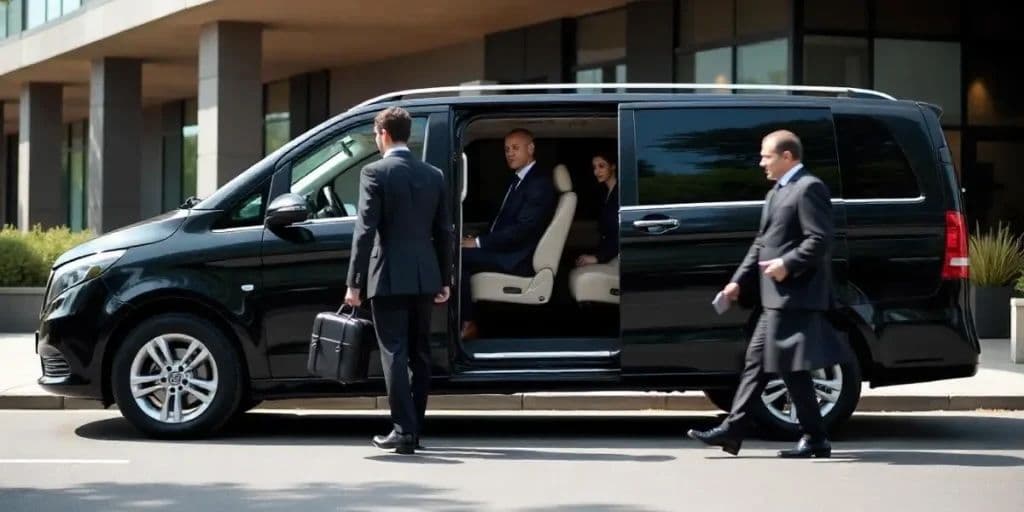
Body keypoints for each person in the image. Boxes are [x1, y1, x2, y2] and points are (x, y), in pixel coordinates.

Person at [686, 129, 848, 458]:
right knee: (760, 363)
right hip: (774, 297)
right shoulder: (777, 192)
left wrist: (788, 264)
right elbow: (761, 244)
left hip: (795, 296)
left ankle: (811, 436)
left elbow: (820, 239)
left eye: (766, 156)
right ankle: (738, 431)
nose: (761, 163)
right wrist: (737, 283)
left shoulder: (808, 188)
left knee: (786, 367)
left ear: (788, 156)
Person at [344, 106, 453, 455]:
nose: (377, 140)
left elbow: (365, 232)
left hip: (387, 273)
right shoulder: (433, 174)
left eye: (376, 135)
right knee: (420, 353)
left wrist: (354, 282)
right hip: (425, 275)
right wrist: (444, 277)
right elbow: (444, 231)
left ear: (384, 134)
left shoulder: (374, 172)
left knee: (394, 352)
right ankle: (414, 428)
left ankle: (403, 431)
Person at [459, 128, 556, 340]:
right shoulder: (519, 180)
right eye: (506, 149)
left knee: (457, 258)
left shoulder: (538, 183)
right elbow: (503, 222)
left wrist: (477, 242)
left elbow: (521, 231)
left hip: (516, 257)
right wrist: (475, 236)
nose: (509, 153)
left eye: (515, 148)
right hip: (507, 249)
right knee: (459, 251)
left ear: (530, 148)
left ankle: (468, 322)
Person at [575, 149, 619, 268]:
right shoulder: (604, 194)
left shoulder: (621, 193)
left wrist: (598, 257)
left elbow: (619, 233)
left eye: (601, 166)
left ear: (613, 166)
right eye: (594, 167)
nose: (596, 171)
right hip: (608, 253)